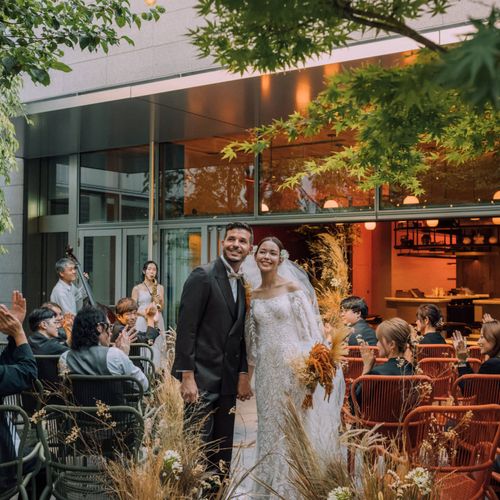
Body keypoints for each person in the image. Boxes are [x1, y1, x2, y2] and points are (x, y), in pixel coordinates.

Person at [244, 236, 344, 499]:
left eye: (272, 253)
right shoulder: (253, 294)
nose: (266, 257)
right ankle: (267, 488)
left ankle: (294, 488)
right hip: (267, 372)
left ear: (281, 258)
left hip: (293, 369)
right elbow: (252, 342)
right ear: (255, 256)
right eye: (262, 252)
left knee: (293, 425)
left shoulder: (292, 288)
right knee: (269, 426)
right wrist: (247, 377)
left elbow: (311, 333)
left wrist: (310, 371)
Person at [172, 222, 253, 476]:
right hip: (201, 380)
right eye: (231, 239)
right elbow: (186, 328)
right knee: (195, 450)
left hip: (227, 382)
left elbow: (240, 335)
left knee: (221, 453)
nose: (236, 244)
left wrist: (242, 373)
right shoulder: (203, 275)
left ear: (249, 249)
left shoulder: (243, 283)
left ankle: (216, 493)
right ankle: (189, 492)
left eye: (242, 241)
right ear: (222, 243)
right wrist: (187, 376)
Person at [59, 306, 148, 392]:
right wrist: (123, 356)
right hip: (112, 403)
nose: (110, 333)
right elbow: (143, 385)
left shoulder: (65, 357)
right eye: (109, 327)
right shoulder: (115, 355)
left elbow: (65, 387)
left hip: (77, 402)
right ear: (100, 328)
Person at [0, 291, 38, 490]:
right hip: (4, 466)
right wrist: (19, 334)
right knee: (42, 459)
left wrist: (14, 334)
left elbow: (4, 369)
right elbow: (28, 373)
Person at [355, 317, 415, 407]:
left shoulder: (377, 374)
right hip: (407, 416)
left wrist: (367, 367)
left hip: (375, 416)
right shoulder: (414, 371)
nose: (377, 344)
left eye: (379, 340)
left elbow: (354, 404)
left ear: (392, 344)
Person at [131, 260, 165, 332]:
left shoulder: (160, 287)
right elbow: (133, 308)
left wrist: (158, 300)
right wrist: (145, 314)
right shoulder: (137, 288)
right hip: (142, 318)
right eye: (149, 269)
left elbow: (161, 308)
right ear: (144, 271)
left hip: (156, 318)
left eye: (154, 270)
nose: (152, 272)